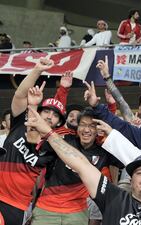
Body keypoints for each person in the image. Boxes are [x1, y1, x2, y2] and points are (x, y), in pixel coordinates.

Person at [0, 58, 66, 225]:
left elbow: (33, 138)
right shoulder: (19, 123)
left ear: (59, 123)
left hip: (16, 205)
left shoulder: (52, 146)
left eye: (55, 115)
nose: (50, 116)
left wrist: (35, 109)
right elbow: (20, 95)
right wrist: (37, 69)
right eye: (47, 112)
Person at [31, 108, 123, 225]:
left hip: (77, 212)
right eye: (82, 125)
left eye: (92, 126)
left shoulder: (103, 151)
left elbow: (124, 159)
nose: (86, 129)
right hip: (46, 209)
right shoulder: (64, 140)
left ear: (98, 129)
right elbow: (36, 142)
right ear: (77, 128)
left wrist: (110, 135)